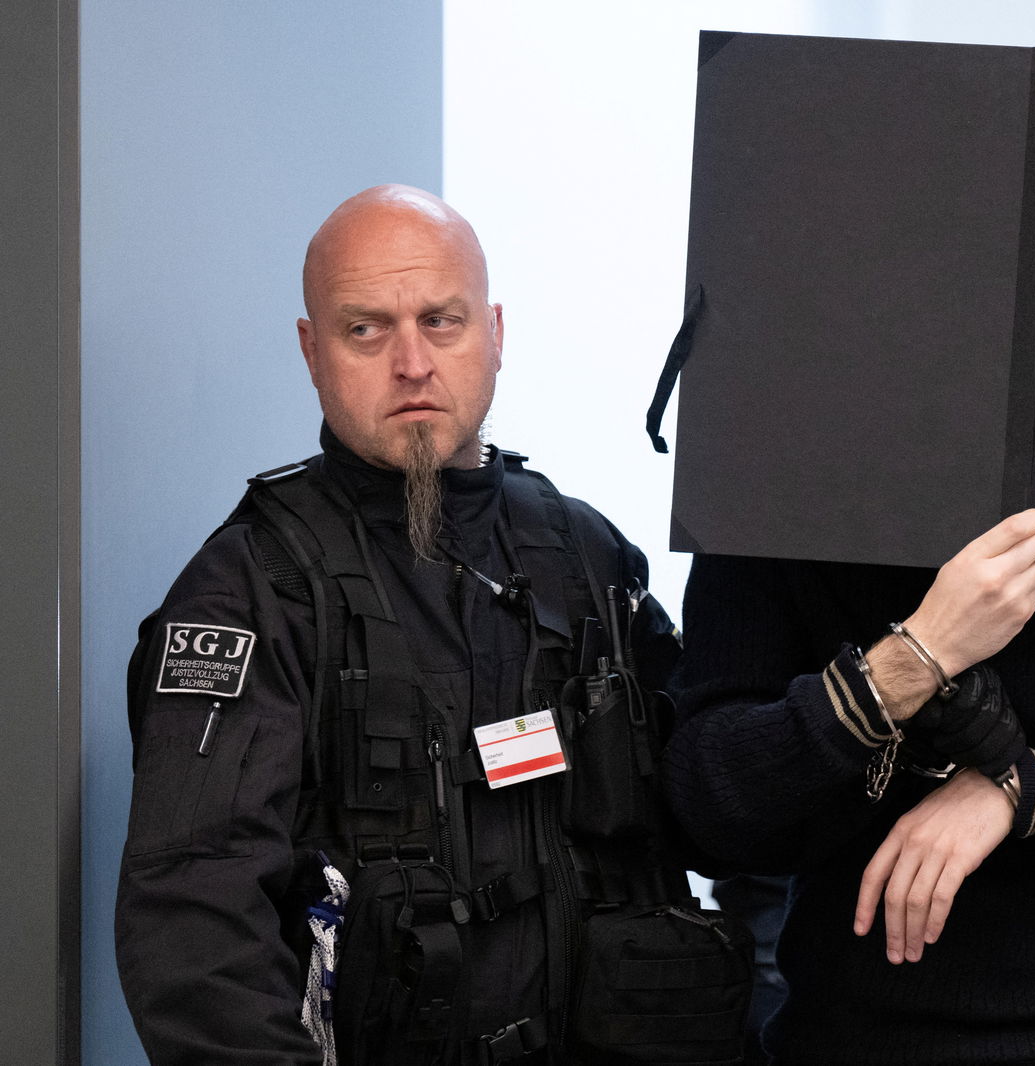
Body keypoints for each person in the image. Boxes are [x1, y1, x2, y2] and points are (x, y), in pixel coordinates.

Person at [115, 185, 743, 1066]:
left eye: (440, 322)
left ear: (494, 332)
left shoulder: (585, 553)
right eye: (365, 329)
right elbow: (193, 930)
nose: (411, 361)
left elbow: (722, 800)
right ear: (311, 350)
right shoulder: (251, 590)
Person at [664, 503, 1035, 1063]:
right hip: (849, 1036)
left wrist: (1024, 790)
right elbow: (708, 817)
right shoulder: (766, 501)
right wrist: (921, 653)